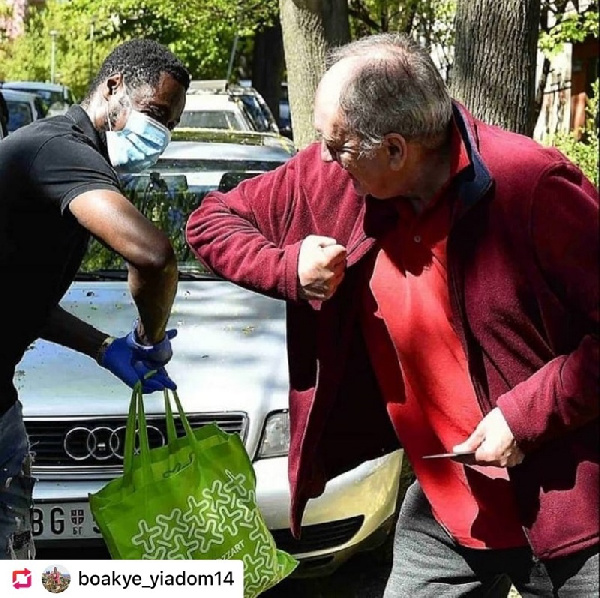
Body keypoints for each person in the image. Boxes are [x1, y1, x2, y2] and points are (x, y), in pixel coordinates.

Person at [185, 33, 598, 597]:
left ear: (396, 150)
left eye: (338, 144)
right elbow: (210, 220)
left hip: (571, 512)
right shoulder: (336, 175)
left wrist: (524, 417)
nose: (324, 157)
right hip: (445, 511)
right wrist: (285, 268)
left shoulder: (532, 187)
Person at [0, 38, 190, 559]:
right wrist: (149, 337)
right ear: (113, 88)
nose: (160, 135)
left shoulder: (64, 158)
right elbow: (155, 256)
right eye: (155, 113)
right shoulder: (61, 151)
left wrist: (103, 346)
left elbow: (19, 296)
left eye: (169, 125)